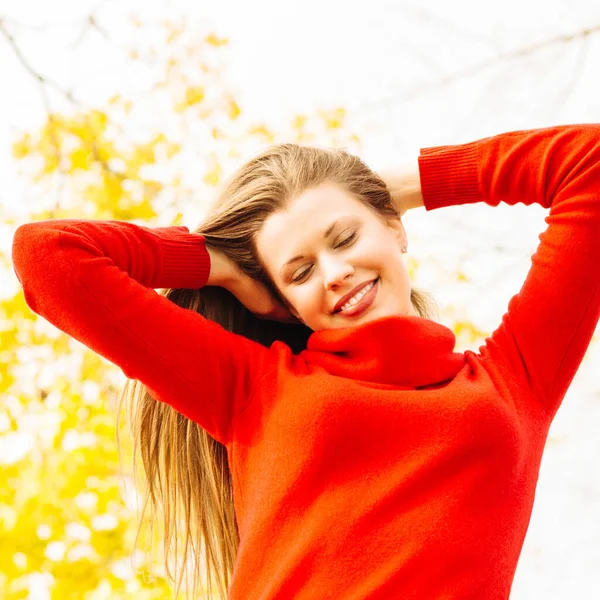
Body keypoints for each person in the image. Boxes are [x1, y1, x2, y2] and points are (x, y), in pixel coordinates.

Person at [11, 123, 600, 600]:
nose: (335, 272)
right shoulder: (253, 387)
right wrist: (219, 264)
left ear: (394, 229)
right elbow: (48, 256)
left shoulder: (512, 380)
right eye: (299, 270)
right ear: (278, 301)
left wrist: (396, 185)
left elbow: (589, 164)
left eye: (344, 238)